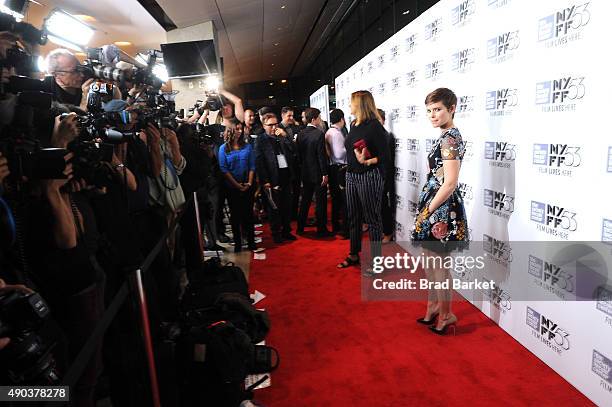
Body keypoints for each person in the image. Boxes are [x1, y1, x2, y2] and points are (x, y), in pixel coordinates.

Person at [412, 88, 468, 335]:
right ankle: (434, 305)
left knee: (439, 265)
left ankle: (446, 314)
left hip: (442, 207)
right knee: (429, 260)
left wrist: (428, 210)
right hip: (434, 202)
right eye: (429, 111)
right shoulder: (445, 135)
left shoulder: (450, 139)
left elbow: (450, 182)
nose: (433, 115)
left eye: (438, 110)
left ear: (452, 108)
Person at [337, 90, 389, 274]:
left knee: (373, 220)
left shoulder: (374, 126)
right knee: (353, 217)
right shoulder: (353, 124)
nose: (349, 105)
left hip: (369, 176)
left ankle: (377, 264)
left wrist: (367, 161)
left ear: (360, 104)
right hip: (351, 175)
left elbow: (384, 156)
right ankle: (353, 254)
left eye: (351, 102)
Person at [255, 112, 297, 243]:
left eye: (276, 124)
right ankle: (276, 233)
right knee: (274, 208)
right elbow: (259, 162)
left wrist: (285, 137)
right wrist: (265, 181)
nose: (274, 127)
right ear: (264, 125)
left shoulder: (281, 137)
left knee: (287, 205)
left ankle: (286, 231)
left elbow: (293, 151)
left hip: (286, 175)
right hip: (272, 177)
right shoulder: (260, 140)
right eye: (270, 125)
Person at [218, 119, 257, 252]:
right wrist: (237, 185)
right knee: (235, 216)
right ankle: (238, 243)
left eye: (241, 129)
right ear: (230, 130)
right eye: (237, 129)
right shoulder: (223, 148)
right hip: (231, 187)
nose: (239, 132)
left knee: (248, 215)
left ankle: (251, 242)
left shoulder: (247, 146)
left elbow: (252, 165)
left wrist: (249, 183)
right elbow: (224, 170)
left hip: (247, 184)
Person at [296, 107, 331, 237]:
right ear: (314, 119)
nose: (320, 120)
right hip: (317, 173)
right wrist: (324, 173)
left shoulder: (300, 134)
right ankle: (321, 229)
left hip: (305, 172)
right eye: (319, 118)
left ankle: (300, 228)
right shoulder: (319, 134)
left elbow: (299, 156)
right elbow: (321, 156)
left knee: (305, 201)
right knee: (321, 202)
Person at [326, 108, 348, 237]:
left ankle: (336, 225)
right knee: (342, 200)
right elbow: (340, 153)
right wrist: (350, 148)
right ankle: (341, 227)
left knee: (336, 199)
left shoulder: (330, 132)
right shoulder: (336, 133)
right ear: (341, 119)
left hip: (334, 168)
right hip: (340, 168)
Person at [378, 109, 396, 243]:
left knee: (384, 205)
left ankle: (388, 233)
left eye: (378, 119)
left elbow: (387, 160)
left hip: (384, 176)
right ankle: (382, 230)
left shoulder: (387, 136)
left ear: (383, 120)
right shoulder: (374, 136)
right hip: (374, 175)